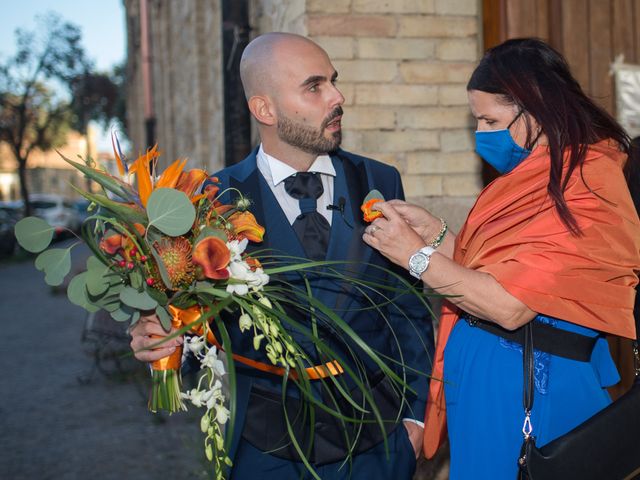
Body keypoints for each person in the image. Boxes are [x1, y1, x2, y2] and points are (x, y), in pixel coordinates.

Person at [129, 32, 434, 479]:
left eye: (334, 81)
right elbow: (199, 323)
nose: (338, 96)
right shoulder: (211, 201)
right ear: (264, 109)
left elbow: (408, 307)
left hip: (379, 442)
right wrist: (163, 333)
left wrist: (418, 419)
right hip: (265, 450)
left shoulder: (379, 179)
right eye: (315, 86)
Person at [362, 38, 640, 479]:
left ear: (536, 106)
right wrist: (434, 234)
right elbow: (495, 269)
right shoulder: (537, 170)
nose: (481, 134)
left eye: (490, 119)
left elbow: (510, 305)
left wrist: (415, 257)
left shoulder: (586, 180)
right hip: (489, 388)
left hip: (532, 391)